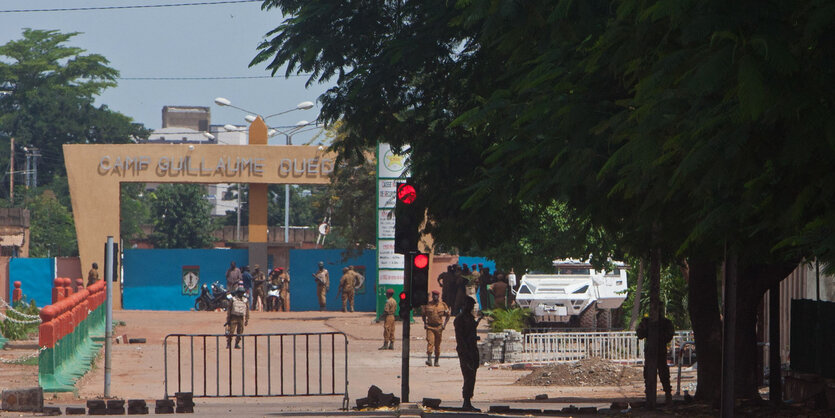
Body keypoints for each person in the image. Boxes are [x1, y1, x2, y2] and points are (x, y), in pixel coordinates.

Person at [636, 313, 675, 405]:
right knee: (649, 373)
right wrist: (647, 328)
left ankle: (668, 394)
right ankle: (649, 396)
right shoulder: (646, 322)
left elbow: (669, 335)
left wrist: (659, 335)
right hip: (650, 351)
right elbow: (640, 334)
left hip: (660, 350)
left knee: (664, 373)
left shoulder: (666, 322)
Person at [454, 296, 483, 411]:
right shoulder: (460, 319)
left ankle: (468, 400)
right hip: (466, 351)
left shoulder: (469, 318)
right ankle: (466, 400)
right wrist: (466, 352)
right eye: (469, 305)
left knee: (472, 376)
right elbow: (461, 338)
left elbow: (470, 331)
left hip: (472, 350)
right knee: (468, 376)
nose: (471, 307)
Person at [422, 290, 451, 366]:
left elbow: (448, 315)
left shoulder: (443, 305)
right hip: (430, 327)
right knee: (430, 342)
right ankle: (429, 359)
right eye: (434, 295)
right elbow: (423, 314)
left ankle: (436, 360)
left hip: (439, 327)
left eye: (437, 295)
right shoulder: (428, 305)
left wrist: (444, 325)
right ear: (432, 296)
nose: (435, 297)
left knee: (437, 345)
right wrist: (425, 323)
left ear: (439, 296)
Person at [225, 283, 250, 349]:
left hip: (241, 318)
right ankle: (228, 343)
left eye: (242, 293)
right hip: (233, 317)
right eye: (240, 292)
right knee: (231, 332)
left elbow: (247, 310)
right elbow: (229, 310)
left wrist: (247, 319)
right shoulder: (233, 299)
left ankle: (237, 343)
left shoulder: (245, 300)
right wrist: (228, 319)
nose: (241, 294)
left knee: (240, 332)